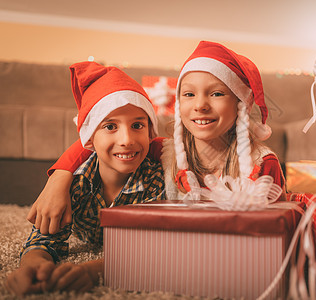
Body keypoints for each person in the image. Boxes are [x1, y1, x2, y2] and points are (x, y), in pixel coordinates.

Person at [27, 41, 287, 235]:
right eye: (188, 94)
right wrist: (59, 179)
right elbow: (99, 144)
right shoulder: (168, 152)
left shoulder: (261, 164)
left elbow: (278, 232)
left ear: (240, 104)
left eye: (216, 94)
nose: (200, 105)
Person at [5, 61, 165, 296]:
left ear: (150, 132)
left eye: (137, 125)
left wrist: (94, 271)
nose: (127, 139)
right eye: (110, 126)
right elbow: (43, 242)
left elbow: (156, 250)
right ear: (89, 140)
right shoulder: (75, 185)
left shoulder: (157, 179)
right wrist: (34, 268)